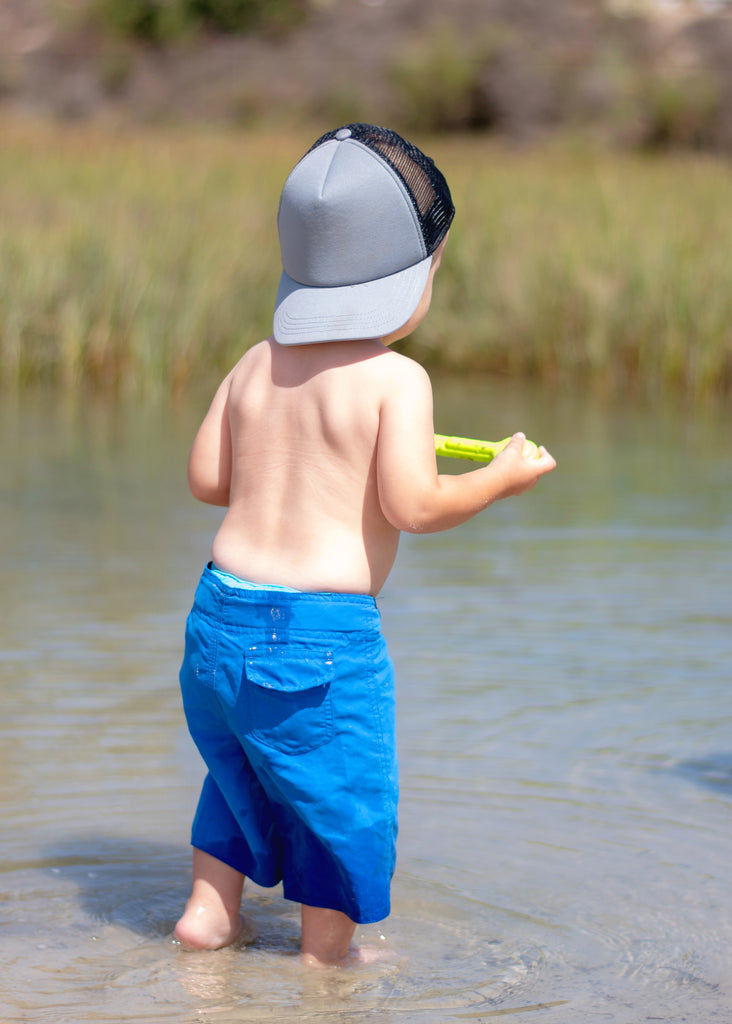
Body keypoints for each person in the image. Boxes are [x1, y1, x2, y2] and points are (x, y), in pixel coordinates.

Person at [174, 124, 556, 967]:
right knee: (338, 790)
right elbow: (415, 506)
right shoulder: (396, 379)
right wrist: (501, 477)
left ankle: (209, 914)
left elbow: (208, 478)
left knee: (240, 768)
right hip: (320, 641)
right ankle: (328, 959)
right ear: (411, 283)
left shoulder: (253, 361)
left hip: (218, 617)